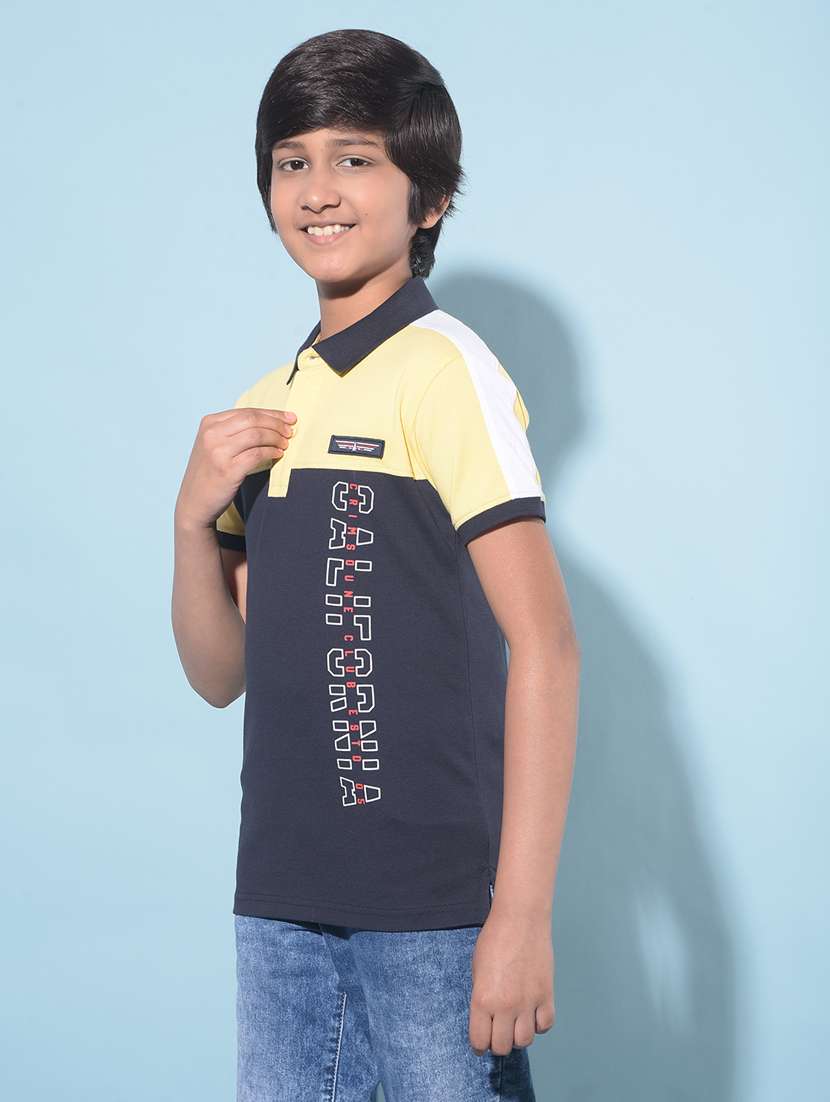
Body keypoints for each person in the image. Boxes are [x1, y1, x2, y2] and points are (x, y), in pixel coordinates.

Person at [172, 27, 580, 1102]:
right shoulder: (268, 402)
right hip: (279, 905)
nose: (317, 190)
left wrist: (520, 915)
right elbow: (220, 673)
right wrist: (189, 520)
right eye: (291, 161)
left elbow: (546, 647)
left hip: (431, 912)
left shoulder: (447, 372)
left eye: (354, 158)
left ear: (429, 197)